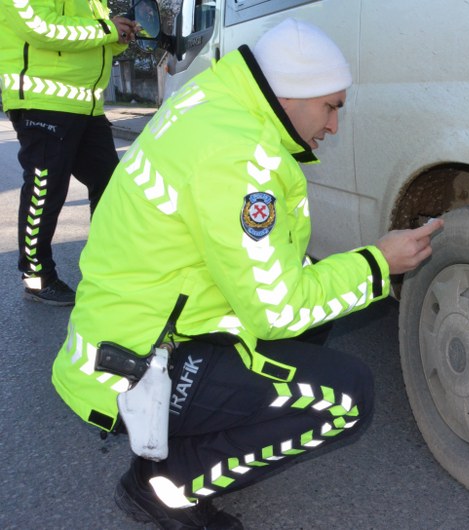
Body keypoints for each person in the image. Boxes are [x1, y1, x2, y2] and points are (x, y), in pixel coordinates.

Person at [51, 18, 444, 529]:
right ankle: (168, 484)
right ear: (290, 97)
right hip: (138, 365)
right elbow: (278, 310)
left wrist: (355, 273)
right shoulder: (238, 157)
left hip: (140, 330)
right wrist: (379, 263)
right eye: (331, 107)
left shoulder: (217, 104)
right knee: (348, 398)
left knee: (317, 309)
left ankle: (186, 436)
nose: (333, 125)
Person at [0, 0, 139, 306]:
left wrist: (117, 37)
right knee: (45, 191)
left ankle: (109, 267)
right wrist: (106, 29)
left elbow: (96, 44)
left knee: (111, 186)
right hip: (42, 102)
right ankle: (37, 279)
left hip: (87, 107)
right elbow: (39, 27)